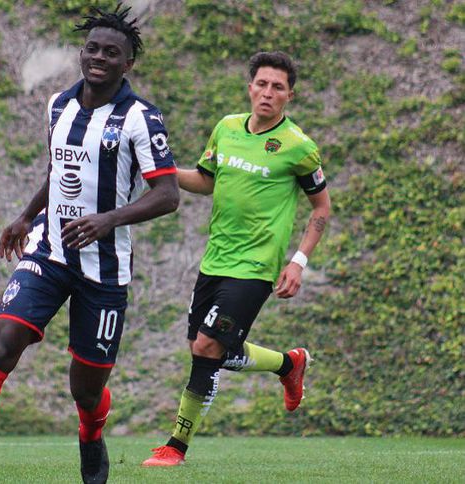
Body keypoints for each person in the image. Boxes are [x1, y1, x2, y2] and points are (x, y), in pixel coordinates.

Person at [0, 4, 180, 484]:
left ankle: (91, 431)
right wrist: (25, 215)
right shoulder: (58, 105)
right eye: (92, 48)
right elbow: (59, 172)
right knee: (2, 347)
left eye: (110, 52)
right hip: (48, 253)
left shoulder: (142, 118)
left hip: (103, 270)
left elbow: (168, 194)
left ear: (127, 63)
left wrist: (109, 220)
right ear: (82, 52)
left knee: (86, 391)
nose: (98, 57)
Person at [142, 51, 331, 468]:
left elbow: (321, 207)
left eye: (278, 87)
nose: (268, 92)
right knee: (208, 349)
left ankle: (176, 446)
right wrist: (158, 172)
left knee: (208, 346)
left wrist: (298, 261)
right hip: (215, 260)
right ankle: (289, 363)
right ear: (250, 88)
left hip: (256, 268)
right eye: (262, 84)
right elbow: (205, 181)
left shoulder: (299, 147)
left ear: (289, 96)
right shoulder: (226, 128)